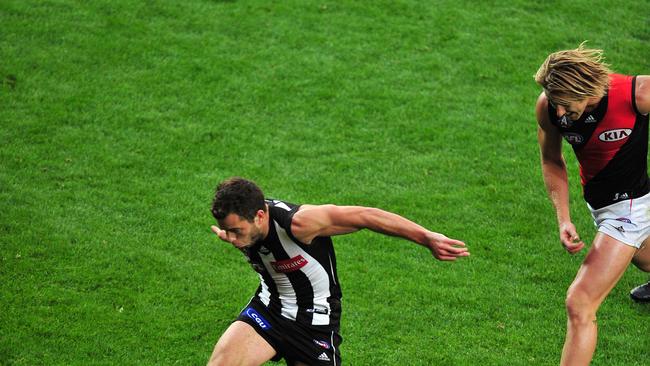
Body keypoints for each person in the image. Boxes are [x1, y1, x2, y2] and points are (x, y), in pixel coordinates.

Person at [206, 177, 469, 366]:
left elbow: (366, 216)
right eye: (226, 230)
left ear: (260, 216)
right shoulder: (240, 229)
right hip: (269, 310)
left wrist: (426, 237)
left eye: (237, 231)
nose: (232, 239)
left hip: (314, 322)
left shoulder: (300, 223)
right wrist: (235, 233)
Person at [534, 43, 650, 365]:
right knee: (646, 260)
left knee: (579, 302)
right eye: (555, 104)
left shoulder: (636, 94)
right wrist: (563, 217)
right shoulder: (549, 108)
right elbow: (551, 160)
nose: (559, 114)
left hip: (630, 210)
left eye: (566, 105)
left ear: (586, 88)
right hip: (603, 208)